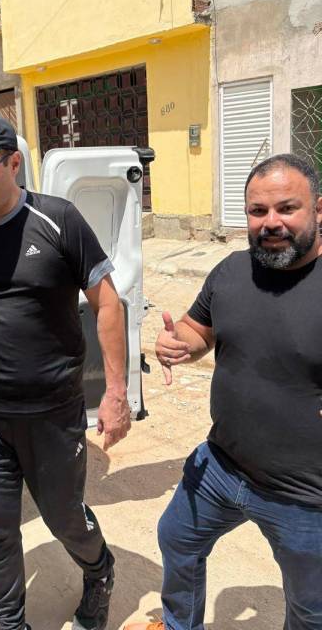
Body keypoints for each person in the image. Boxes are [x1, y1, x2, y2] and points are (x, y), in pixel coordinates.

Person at [0, 112, 131, 630]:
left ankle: (99, 571)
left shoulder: (58, 219)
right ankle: (12, 621)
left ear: (13, 163)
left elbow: (107, 303)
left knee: (65, 519)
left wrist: (116, 392)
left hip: (52, 415)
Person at [126, 154, 322, 630]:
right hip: (221, 465)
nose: (270, 222)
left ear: (318, 209)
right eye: (257, 211)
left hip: (306, 497)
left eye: (287, 208)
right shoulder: (233, 270)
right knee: (178, 539)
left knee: (310, 609)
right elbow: (198, 330)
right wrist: (178, 344)